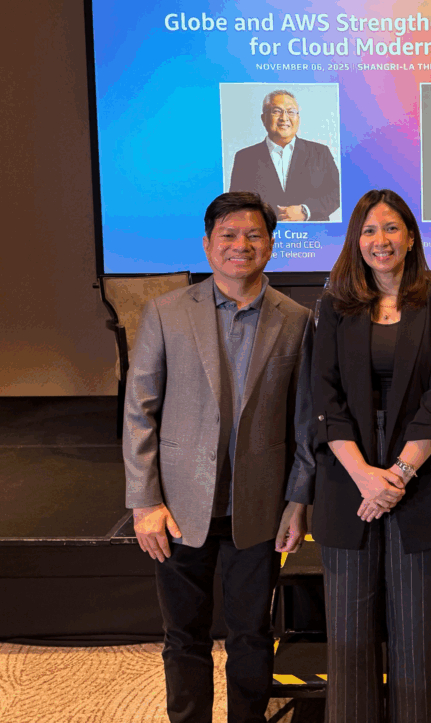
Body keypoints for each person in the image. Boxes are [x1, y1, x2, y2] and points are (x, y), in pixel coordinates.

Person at [123, 191, 315, 723]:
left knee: (252, 635)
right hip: (177, 508)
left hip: (259, 507)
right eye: (228, 235)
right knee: (184, 635)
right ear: (208, 244)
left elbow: (305, 423)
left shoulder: (297, 320)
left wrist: (298, 501)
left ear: (271, 245)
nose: (240, 245)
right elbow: (139, 410)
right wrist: (144, 502)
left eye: (253, 235)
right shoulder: (165, 313)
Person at [312, 188, 431, 723]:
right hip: (347, 476)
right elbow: (325, 399)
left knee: (418, 640)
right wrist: (364, 477)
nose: (381, 240)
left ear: (412, 237)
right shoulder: (333, 305)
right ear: (356, 240)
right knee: (348, 641)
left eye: (392, 228)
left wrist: (395, 476)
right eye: (370, 230)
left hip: (418, 472)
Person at [229, 89, 341, 222]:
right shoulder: (245, 157)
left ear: (298, 118)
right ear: (263, 118)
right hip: (265, 231)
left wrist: (305, 210)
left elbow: (337, 193)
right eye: (276, 111)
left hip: (313, 232)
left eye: (291, 112)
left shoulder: (320, 152)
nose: (284, 118)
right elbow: (237, 203)